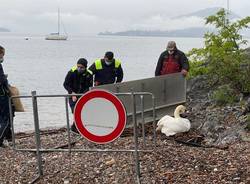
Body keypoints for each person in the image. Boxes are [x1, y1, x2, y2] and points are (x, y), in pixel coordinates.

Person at [63, 58, 93, 133]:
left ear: (85, 67)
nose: (79, 68)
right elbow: (65, 84)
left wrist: (83, 95)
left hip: (83, 94)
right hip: (72, 94)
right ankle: (75, 127)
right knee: (75, 111)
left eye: (81, 67)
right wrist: (72, 93)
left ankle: (76, 126)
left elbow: (89, 86)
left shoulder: (89, 74)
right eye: (78, 66)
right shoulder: (71, 72)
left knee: (83, 111)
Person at [0, 45, 14, 147]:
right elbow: (2, 80)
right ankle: (1, 139)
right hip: (2, 94)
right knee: (7, 118)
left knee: (1, 119)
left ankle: (8, 138)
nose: (3, 57)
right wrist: (7, 86)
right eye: (2, 54)